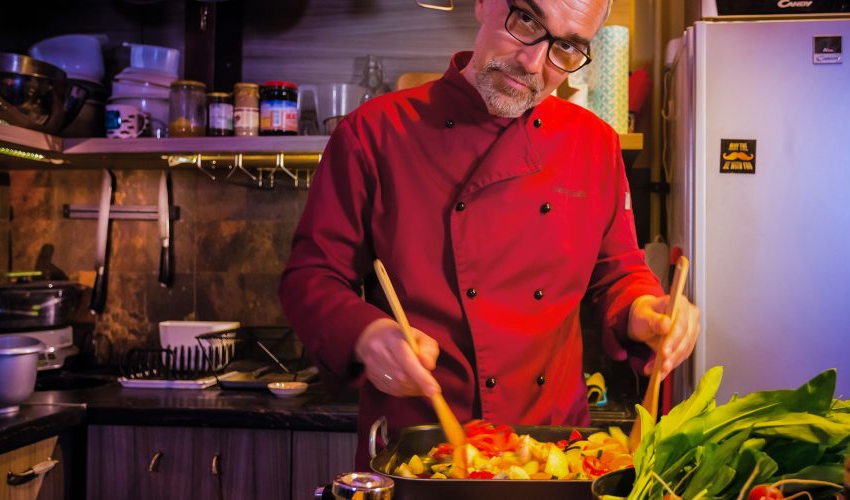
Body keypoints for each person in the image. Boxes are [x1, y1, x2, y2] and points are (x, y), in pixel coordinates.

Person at [279, 0, 701, 469]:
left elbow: (618, 271)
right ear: (484, 4)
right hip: (420, 452)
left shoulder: (595, 144)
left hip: (553, 456)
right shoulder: (373, 132)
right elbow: (311, 277)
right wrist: (365, 334)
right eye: (527, 20)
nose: (534, 63)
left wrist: (644, 309)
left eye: (566, 47)